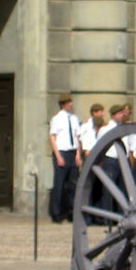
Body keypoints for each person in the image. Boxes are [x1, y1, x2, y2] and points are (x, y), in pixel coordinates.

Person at [49, 93, 81, 223]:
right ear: (63, 104)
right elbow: (52, 137)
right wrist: (58, 156)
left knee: (73, 185)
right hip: (62, 152)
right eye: (69, 102)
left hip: (72, 153)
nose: (71, 104)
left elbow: (77, 137)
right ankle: (57, 214)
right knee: (59, 184)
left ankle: (72, 212)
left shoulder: (74, 118)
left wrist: (78, 154)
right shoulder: (56, 119)